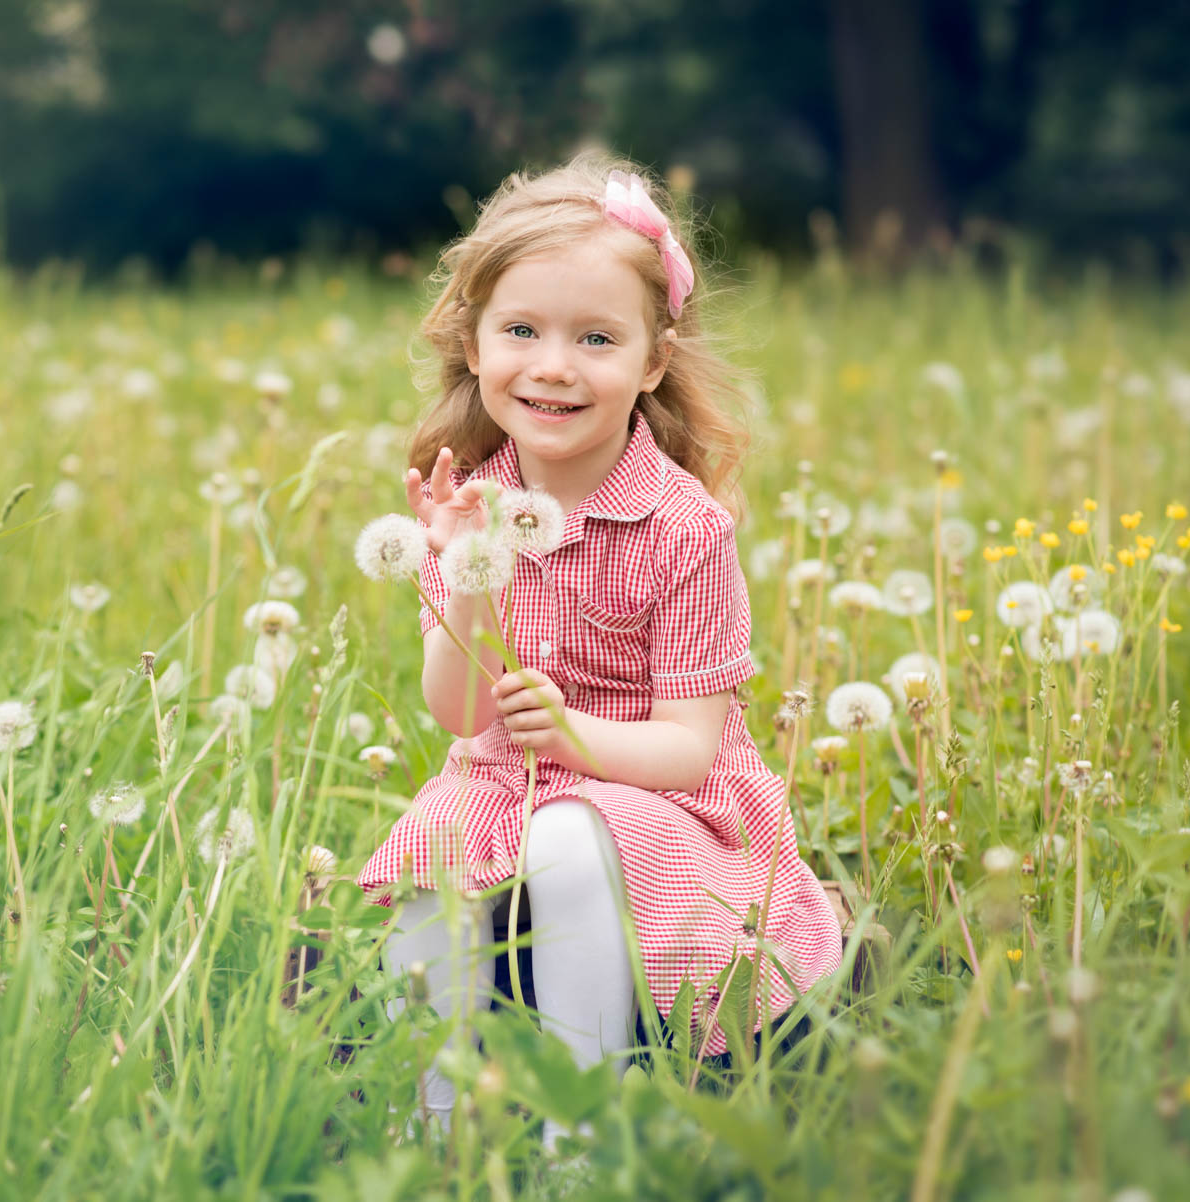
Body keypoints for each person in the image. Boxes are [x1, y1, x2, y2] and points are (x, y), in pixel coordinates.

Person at [356, 151, 844, 1154]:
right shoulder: (467, 507)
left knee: (565, 840)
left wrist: (575, 736)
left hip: (666, 800)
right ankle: (427, 1129)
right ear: (475, 343)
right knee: (428, 851)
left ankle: (583, 1127)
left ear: (652, 361)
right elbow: (457, 717)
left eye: (596, 337)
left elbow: (690, 750)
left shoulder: (684, 530)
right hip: (501, 776)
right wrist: (469, 570)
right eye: (522, 330)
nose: (553, 365)